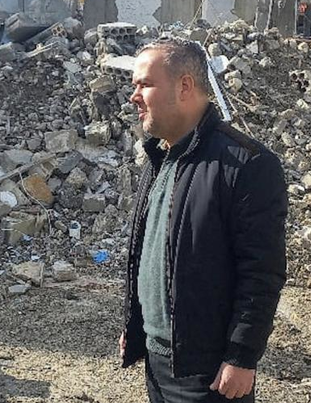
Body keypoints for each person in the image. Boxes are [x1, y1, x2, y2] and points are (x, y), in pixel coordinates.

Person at [120, 38, 287, 402]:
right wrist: (136, 329)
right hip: (158, 361)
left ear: (184, 86)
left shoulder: (246, 165)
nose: (134, 97)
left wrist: (242, 357)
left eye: (144, 84)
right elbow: (148, 255)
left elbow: (262, 272)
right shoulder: (160, 157)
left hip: (208, 374)